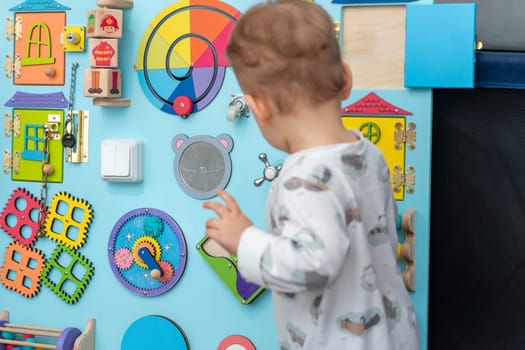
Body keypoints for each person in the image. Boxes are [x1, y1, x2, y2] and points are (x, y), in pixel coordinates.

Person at [203, 1, 420, 349]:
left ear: (258, 107)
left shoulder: (304, 179)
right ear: (346, 79)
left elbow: (315, 263)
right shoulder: (369, 155)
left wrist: (244, 240)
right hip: (393, 333)